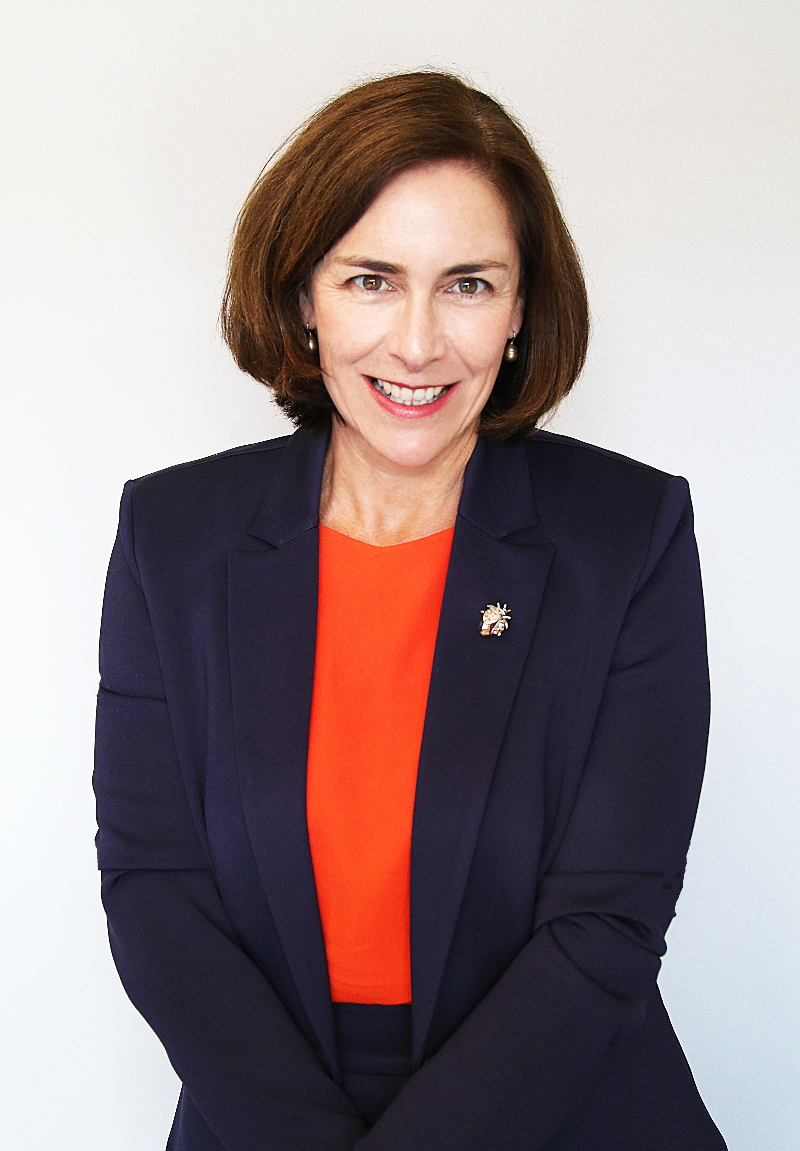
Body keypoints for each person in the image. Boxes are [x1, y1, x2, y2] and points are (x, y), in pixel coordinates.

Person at [93, 70, 727, 1150]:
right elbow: (157, 891)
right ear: (304, 297)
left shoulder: (628, 534)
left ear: (521, 308)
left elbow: (604, 924)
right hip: (260, 1121)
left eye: (468, 284)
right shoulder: (174, 536)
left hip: (567, 1116)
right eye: (371, 280)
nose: (419, 344)